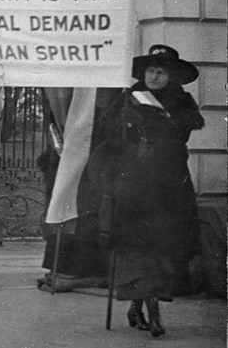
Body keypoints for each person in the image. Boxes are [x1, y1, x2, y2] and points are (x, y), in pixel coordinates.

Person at [91, 44, 204, 337]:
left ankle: (138, 307)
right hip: (134, 186)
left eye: (161, 71)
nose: (154, 76)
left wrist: (159, 121)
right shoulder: (129, 97)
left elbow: (186, 130)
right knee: (139, 247)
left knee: (162, 246)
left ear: (171, 76)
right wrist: (123, 125)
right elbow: (108, 131)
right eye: (151, 70)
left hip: (168, 185)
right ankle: (152, 313)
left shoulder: (182, 102)